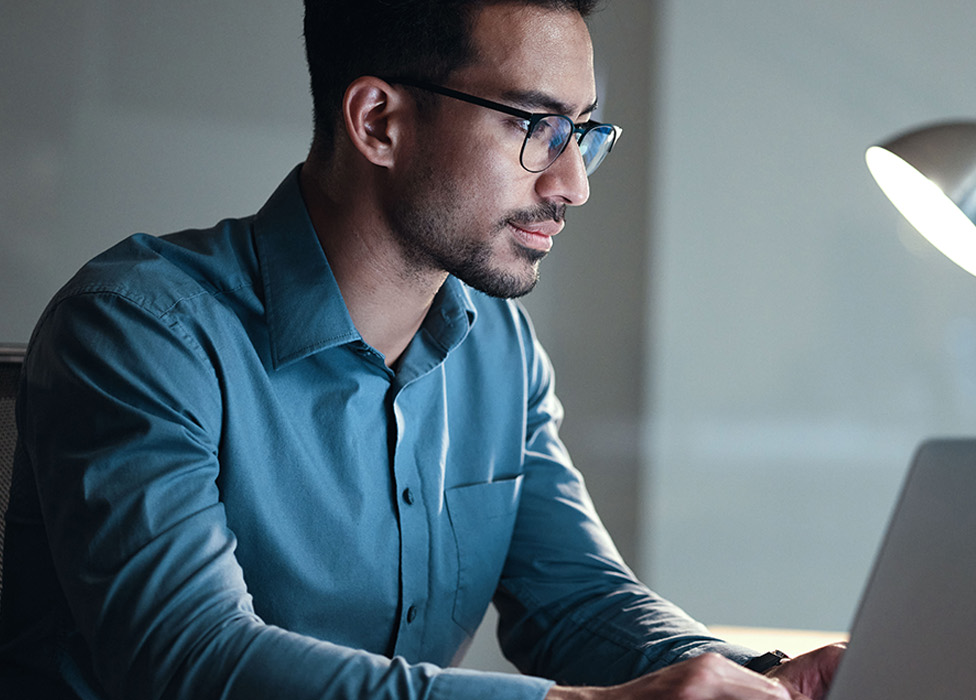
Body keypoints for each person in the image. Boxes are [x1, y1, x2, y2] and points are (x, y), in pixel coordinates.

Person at [0, 1, 844, 698]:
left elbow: (577, 599)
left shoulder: (500, 349)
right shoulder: (137, 329)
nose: (572, 183)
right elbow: (189, 657)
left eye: (582, 132)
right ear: (378, 121)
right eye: (535, 126)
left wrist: (759, 681)